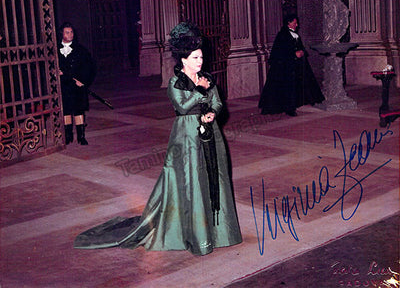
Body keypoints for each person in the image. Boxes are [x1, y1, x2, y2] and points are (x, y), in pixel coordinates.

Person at [74, 21, 242, 256]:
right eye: (195, 58)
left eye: (201, 57)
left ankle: (219, 232)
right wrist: (199, 91)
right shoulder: (176, 82)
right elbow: (182, 107)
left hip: (210, 134)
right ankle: (195, 236)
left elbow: (217, 102)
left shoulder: (206, 78)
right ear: (184, 60)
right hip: (186, 137)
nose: (200, 62)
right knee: (190, 181)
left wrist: (212, 112)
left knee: (214, 178)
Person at [258, 14, 324, 116]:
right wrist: (294, 54)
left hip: (295, 65)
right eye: (295, 22)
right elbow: (279, 52)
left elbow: (300, 47)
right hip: (285, 67)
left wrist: (302, 52)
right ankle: (289, 108)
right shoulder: (282, 35)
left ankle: (306, 100)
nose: (297, 25)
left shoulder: (295, 35)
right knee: (286, 87)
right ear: (289, 23)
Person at [58, 22, 96, 145]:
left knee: (79, 109)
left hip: (76, 85)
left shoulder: (80, 50)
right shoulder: (55, 50)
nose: (70, 35)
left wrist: (83, 81)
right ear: (62, 34)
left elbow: (89, 67)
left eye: (71, 32)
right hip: (64, 85)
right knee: (66, 110)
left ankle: (81, 136)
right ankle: (68, 135)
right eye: (67, 32)